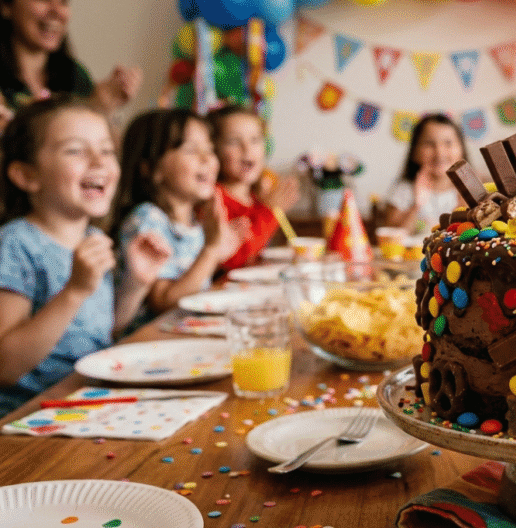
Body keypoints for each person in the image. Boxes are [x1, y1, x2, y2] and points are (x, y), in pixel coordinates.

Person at [0, 96, 170, 416]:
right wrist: (74, 291)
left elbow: (97, 333)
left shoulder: (92, 238)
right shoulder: (16, 245)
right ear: (26, 175)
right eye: (75, 150)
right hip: (30, 417)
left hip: (89, 399)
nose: (99, 161)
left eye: (107, 150)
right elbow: (6, 366)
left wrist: (136, 283)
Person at [110, 108, 246, 332]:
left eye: (210, 149)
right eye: (191, 150)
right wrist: (211, 251)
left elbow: (194, 287)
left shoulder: (192, 221)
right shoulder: (147, 219)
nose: (208, 159)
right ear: (151, 169)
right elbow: (165, 302)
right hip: (146, 344)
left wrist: (219, 256)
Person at [0, 0, 142, 130]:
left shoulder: (76, 76)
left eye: (64, 0)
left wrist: (102, 108)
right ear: (5, 4)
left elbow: (101, 152)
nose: (57, 11)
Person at [206, 105, 299, 273]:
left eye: (255, 140)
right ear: (214, 149)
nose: (247, 149)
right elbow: (233, 260)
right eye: (234, 141)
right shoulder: (212, 198)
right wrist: (269, 211)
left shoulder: (256, 198)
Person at [384, 113, 467, 235]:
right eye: (429, 143)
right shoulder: (405, 190)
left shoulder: (467, 192)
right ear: (414, 152)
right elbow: (392, 237)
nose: (439, 152)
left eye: (448, 143)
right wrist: (417, 205)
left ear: (462, 150)